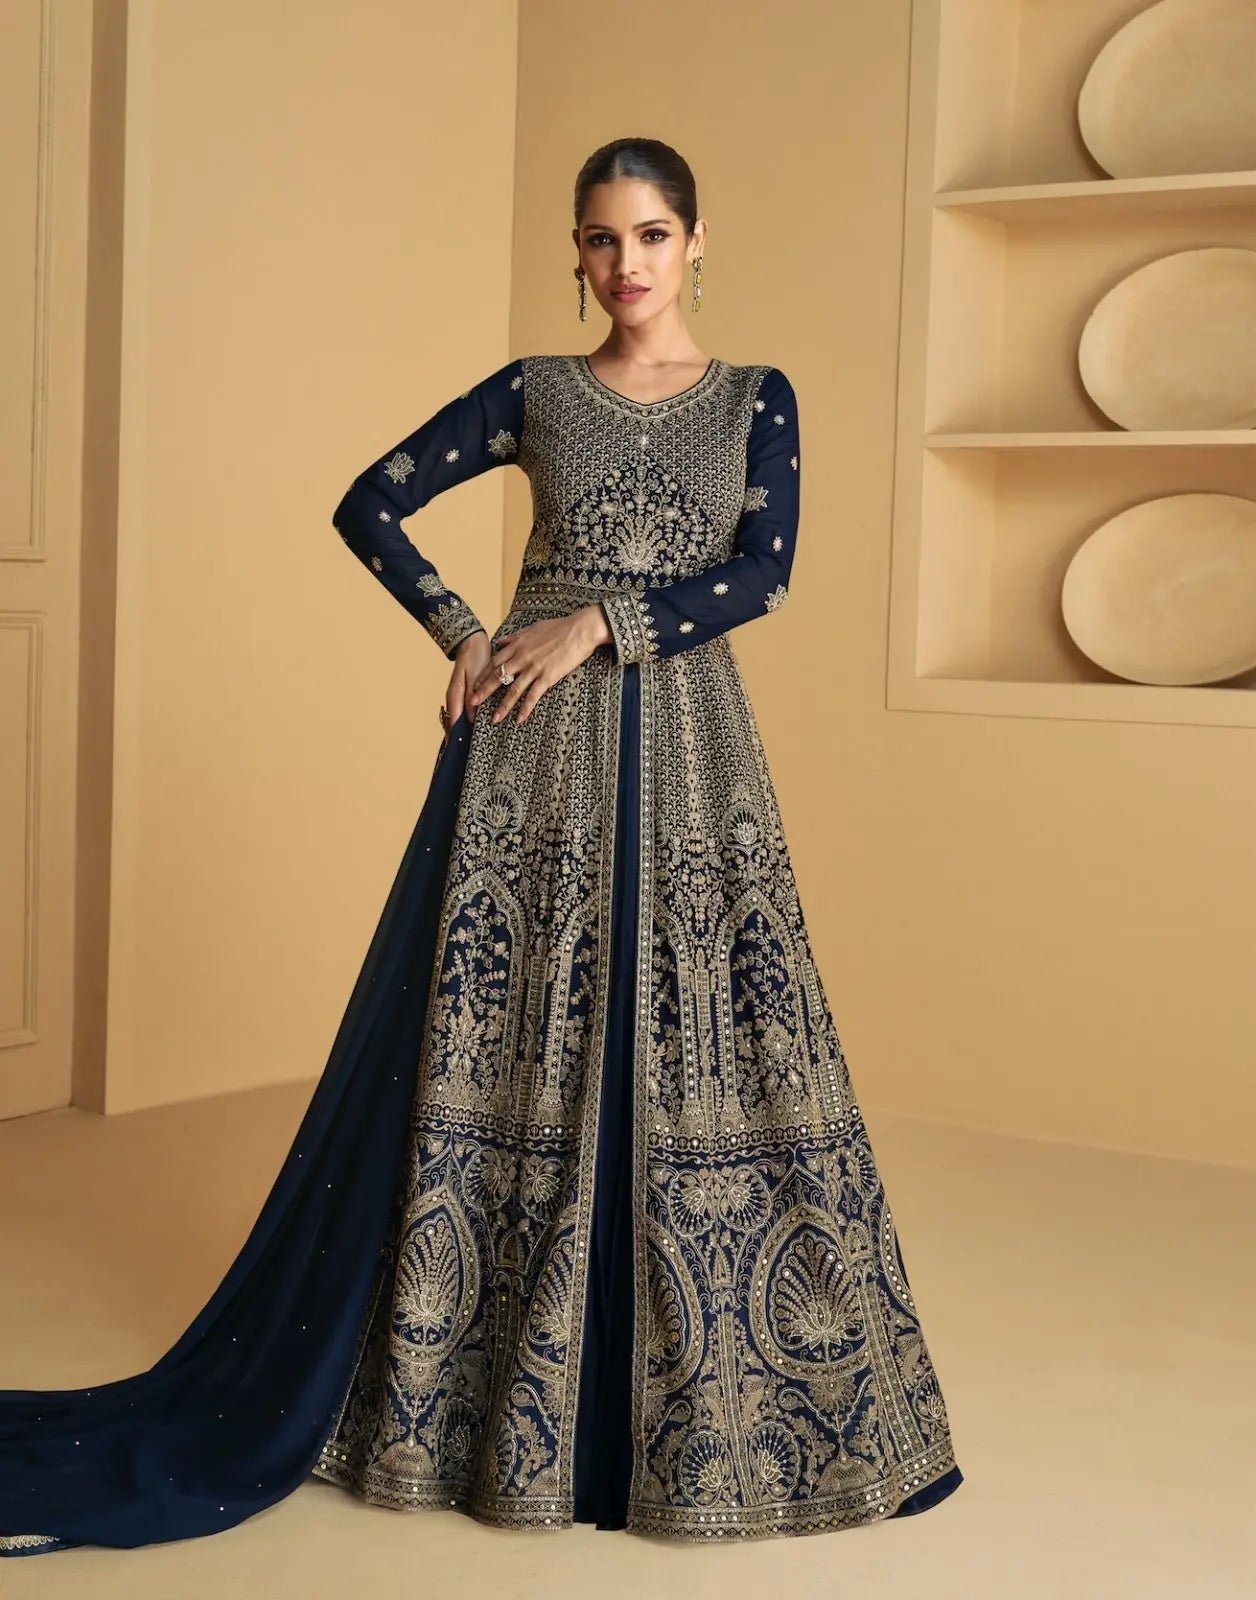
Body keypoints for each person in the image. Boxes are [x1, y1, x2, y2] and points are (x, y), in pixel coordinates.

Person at [0, 136, 963, 1557]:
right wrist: (466, 629)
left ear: (698, 242)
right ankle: (480, 1396)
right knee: (501, 1038)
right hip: (532, 756)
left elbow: (764, 573)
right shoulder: (536, 391)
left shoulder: (758, 397)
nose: (626, 263)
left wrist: (598, 624)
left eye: (650, 235)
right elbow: (368, 502)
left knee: (718, 1034)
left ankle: (698, 1409)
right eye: (600, 238)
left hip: (692, 748)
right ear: (576, 252)